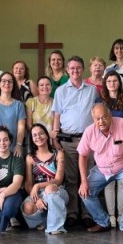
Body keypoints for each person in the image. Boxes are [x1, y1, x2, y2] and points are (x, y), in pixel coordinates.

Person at [78, 104, 123, 239]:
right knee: (85, 192)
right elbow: (82, 156)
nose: (101, 121)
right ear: (93, 120)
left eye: (104, 117)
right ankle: (103, 222)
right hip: (102, 169)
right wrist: (84, 181)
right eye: (97, 119)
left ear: (110, 115)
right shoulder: (89, 131)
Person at [51, 56, 100, 228]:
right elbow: (56, 115)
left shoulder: (93, 90)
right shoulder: (61, 91)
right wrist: (55, 138)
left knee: (89, 177)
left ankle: (87, 213)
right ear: (67, 70)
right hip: (69, 141)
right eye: (71, 68)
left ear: (83, 69)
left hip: (88, 140)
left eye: (78, 68)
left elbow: (98, 113)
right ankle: (72, 213)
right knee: (71, 179)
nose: (75, 71)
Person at [96, 71, 123, 227]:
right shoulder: (100, 101)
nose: (112, 83)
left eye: (115, 80)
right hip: (105, 145)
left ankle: (122, 216)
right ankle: (111, 216)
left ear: (119, 83)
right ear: (105, 83)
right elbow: (97, 124)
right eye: (109, 81)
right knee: (109, 182)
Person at [20, 124, 67, 234]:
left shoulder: (58, 154)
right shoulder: (30, 158)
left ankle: (56, 228)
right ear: (32, 139)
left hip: (57, 191)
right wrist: (37, 199)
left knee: (49, 189)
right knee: (27, 207)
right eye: (34, 135)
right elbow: (28, 184)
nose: (38, 137)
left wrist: (39, 185)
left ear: (46, 135)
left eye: (41, 133)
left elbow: (58, 180)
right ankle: (45, 221)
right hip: (38, 193)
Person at [0, 72, 27, 156]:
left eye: (10, 81)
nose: (7, 83)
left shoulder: (19, 105)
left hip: (14, 149)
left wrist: (18, 145)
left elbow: (21, 127)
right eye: (4, 81)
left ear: (13, 85)